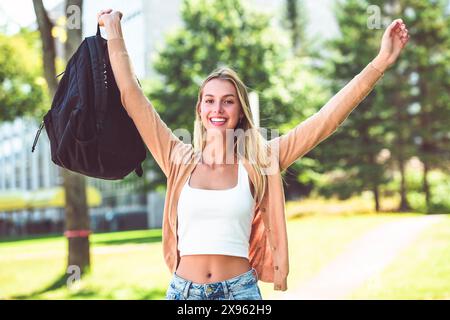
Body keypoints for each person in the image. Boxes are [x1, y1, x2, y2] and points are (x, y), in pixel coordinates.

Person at [97, 9, 409, 300]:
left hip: (240, 293)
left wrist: (380, 62)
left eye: (227, 101)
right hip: (184, 293)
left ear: (241, 111)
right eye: (209, 101)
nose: (217, 109)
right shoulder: (178, 159)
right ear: (200, 109)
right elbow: (132, 96)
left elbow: (327, 120)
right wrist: (114, 34)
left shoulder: (262, 161)